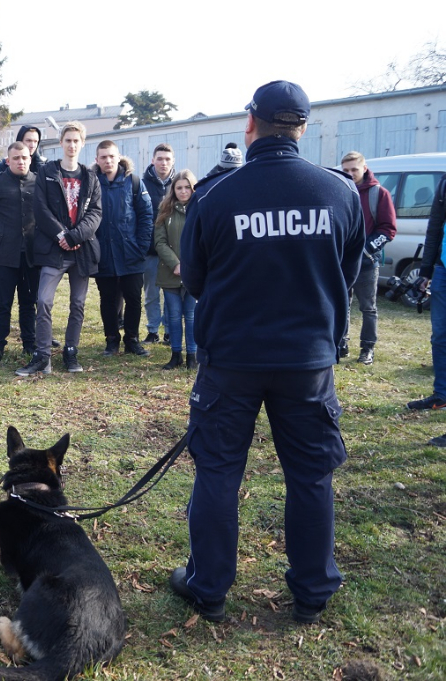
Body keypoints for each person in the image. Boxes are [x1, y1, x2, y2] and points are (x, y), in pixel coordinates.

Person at [171, 81, 364, 625]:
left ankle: (208, 587)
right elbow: (342, 276)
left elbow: (198, 280)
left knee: (218, 473)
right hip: (307, 362)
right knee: (310, 475)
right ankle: (313, 590)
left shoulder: (216, 195)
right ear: (302, 127)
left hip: (231, 360)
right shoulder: (338, 192)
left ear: (250, 123)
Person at [16, 121, 102, 376]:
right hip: (54, 249)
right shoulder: (48, 172)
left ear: (82, 144)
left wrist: (74, 236)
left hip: (81, 250)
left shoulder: (90, 177)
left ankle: (71, 351)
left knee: (77, 303)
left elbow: (96, 214)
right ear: (61, 143)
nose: (72, 145)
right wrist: (61, 235)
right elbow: (40, 209)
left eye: (76, 141)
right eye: (68, 140)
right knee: (43, 301)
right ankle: (43, 356)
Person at [95, 140, 154, 358]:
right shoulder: (92, 184)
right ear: (97, 160)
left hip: (131, 253)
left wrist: (141, 247)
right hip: (103, 253)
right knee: (107, 299)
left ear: (118, 157)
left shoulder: (134, 182)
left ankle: (132, 340)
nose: (108, 160)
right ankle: (111, 340)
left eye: (111, 156)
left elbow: (147, 216)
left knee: (133, 298)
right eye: (103, 157)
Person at [0, 142, 38, 365]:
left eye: (24, 157)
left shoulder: (38, 182)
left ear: (30, 159)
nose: (20, 161)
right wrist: (3, 233)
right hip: (5, 253)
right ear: (8, 160)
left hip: (32, 254)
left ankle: (29, 344)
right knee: (3, 303)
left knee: (28, 301)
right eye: (16, 158)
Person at [340, 151, 396, 365]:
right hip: (342, 262)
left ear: (364, 168)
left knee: (368, 308)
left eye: (354, 169)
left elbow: (388, 228)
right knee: (341, 303)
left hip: (365, 262)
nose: (350, 173)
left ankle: (367, 349)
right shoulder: (340, 189)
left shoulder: (379, 193)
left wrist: (365, 250)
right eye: (346, 170)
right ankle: (341, 343)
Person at [407, 172, 446, 415]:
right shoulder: (444, 182)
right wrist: (427, 270)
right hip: (443, 269)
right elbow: (435, 227)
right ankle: (442, 395)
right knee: (440, 337)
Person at [153, 170, 197, 370]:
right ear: (173, 190)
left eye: (187, 187)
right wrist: (175, 264)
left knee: (191, 315)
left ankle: (192, 356)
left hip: (194, 274)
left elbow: (204, 241)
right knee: (173, 315)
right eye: (179, 187)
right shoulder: (165, 210)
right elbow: (159, 242)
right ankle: (176, 354)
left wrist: (190, 266)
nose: (183, 191)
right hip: (170, 273)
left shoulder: (200, 209)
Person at [142, 143, 174, 344]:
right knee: (151, 293)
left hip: (173, 252)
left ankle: (170, 331)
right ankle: (152, 330)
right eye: (160, 159)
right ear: (153, 160)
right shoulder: (142, 184)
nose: (163, 163)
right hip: (150, 250)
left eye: (167, 159)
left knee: (171, 295)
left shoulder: (180, 185)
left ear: (173, 162)